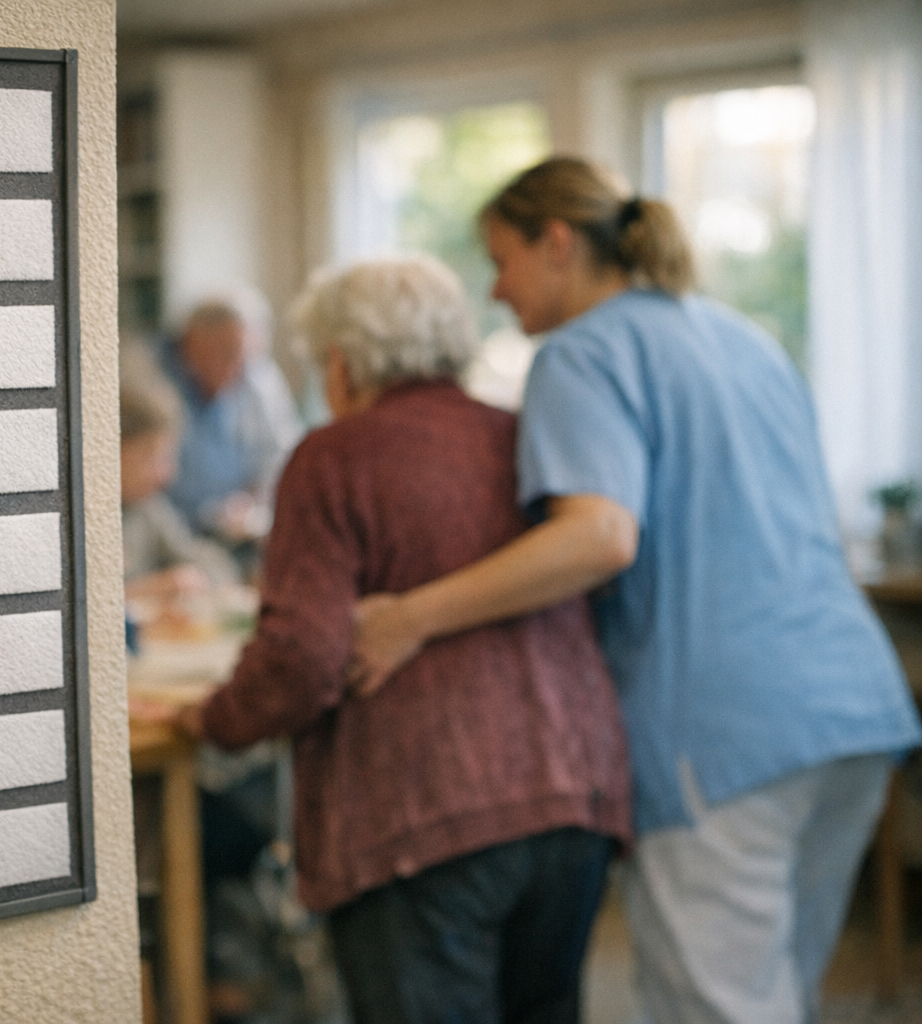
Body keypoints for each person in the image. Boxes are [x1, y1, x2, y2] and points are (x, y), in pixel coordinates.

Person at [351, 156, 922, 1024]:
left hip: (724, 731)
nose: (496, 290)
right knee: (782, 993)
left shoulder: (580, 354)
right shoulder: (742, 336)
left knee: (720, 1007)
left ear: (557, 243)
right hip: (851, 708)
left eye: (501, 261)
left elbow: (599, 537)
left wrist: (409, 618)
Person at [171, 256, 631, 1023]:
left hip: (424, 813)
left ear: (342, 361)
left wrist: (214, 718)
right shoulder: (521, 434)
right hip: (571, 797)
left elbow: (303, 656)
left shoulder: (332, 457)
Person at [158, 288, 303, 550]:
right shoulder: (152, 377)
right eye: (230, 353)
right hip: (169, 538)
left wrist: (252, 500)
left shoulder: (257, 376)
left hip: (235, 533)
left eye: (250, 358)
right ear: (193, 341)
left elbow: (280, 455)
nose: (242, 371)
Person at [120, 345, 239, 601]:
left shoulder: (148, 509)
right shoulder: (90, 519)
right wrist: (144, 590)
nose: (167, 474)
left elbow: (205, 560)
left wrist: (197, 578)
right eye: (152, 456)